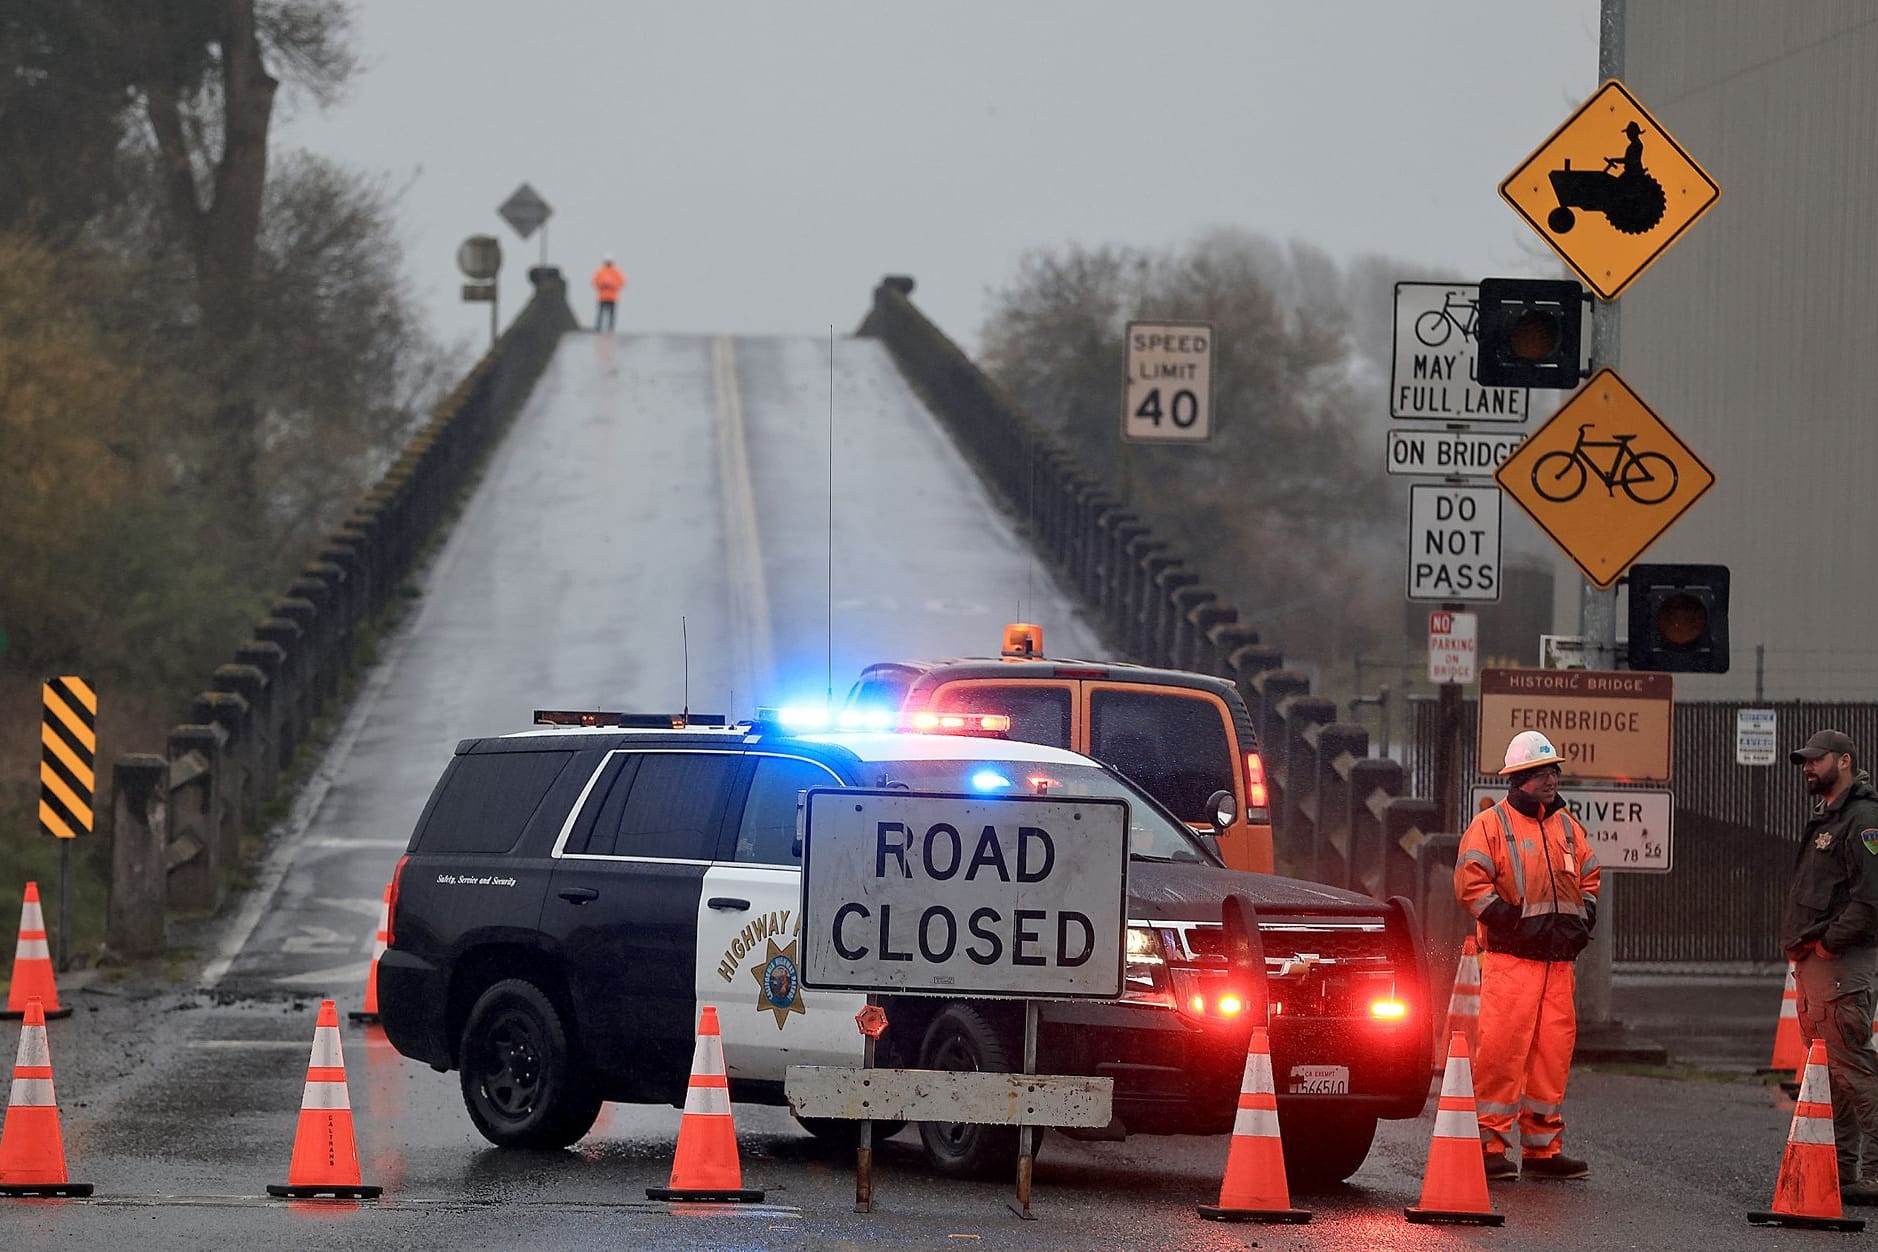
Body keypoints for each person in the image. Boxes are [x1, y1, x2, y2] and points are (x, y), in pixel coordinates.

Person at [1454, 729, 1600, 1181]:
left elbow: (1590, 877)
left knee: (1551, 1056)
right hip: (1513, 961)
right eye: (1541, 771)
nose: (1551, 778)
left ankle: (1542, 1149)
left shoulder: (1568, 827)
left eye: (1553, 770)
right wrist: (1511, 922)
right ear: (1518, 779)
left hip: (1558, 963)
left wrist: (1584, 918)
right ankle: (1489, 1146)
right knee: (1501, 1052)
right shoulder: (1491, 825)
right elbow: (1469, 884)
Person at [1780, 728, 1878, 1206]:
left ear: (1843, 761)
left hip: (1839, 967)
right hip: (1820, 968)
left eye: (1815, 761)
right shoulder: (1829, 817)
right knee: (1834, 1073)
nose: (1807, 768)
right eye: (1804, 761)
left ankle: (1875, 1174)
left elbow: (1870, 899)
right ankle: (1841, 1169)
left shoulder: (1862, 819)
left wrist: (1826, 946)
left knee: (1855, 1070)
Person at [591, 255, 625, 332]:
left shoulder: (616, 272)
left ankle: (610, 329)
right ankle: (598, 328)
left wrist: (612, 284)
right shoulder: (600, 271)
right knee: (600, 314)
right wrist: (602, 284)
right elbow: (594, 282)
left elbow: (622, 282)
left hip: (612, 297)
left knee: (611, 315)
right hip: (602, 297)